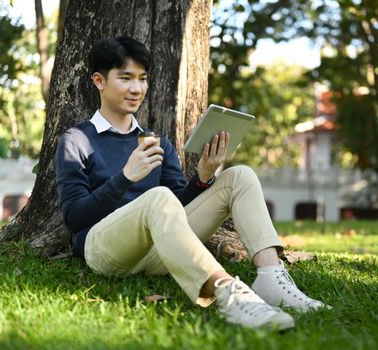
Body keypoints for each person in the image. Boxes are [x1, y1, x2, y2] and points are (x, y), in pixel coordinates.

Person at [54, 36, 324, 330]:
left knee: (240, 175)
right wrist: (125, 178)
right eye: (126, 78)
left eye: (143, 79)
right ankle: (230, 295)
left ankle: (271, 277)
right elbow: (74, 217)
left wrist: (204, 177)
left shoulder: (157, 142)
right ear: (99, 81)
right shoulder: (77, 140)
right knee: (158, 196)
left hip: (159, 252)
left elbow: (176, 208)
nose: (137, 88)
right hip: (103, 249)